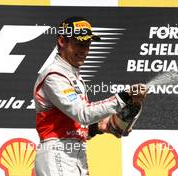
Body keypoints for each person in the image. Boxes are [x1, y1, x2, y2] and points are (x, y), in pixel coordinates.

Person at [33, 16, 148, 176]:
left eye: (88, 44)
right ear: (62, 41)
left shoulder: (75, 78)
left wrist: (97, 128)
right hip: (57, 154)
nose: (85, 50)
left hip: (76, 155)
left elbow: (75, 124)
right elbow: (82, 114)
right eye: (79, 44)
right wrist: (124, 96)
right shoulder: (54, 75)